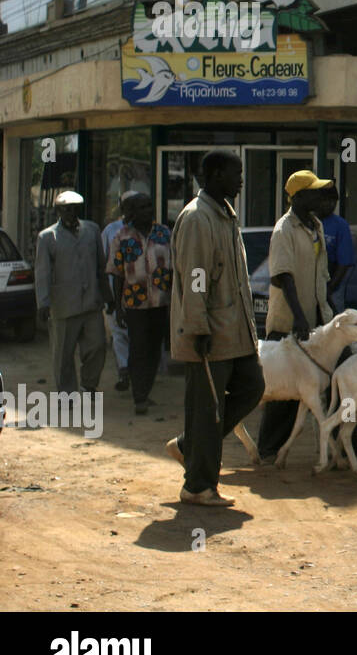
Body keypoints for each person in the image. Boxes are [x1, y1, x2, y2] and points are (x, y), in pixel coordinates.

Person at [166, 151, 264, 507]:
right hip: (208, 335)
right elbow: (195, 279)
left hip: (235, 333)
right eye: (235, 173)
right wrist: (197, 327)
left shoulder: (224, 215)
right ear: (214, 174)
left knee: (252, 387)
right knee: (207, 410)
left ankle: (187, 445)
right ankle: (198, 486)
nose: (241, 180)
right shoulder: (197, 219)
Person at [257, 170, 335, 462]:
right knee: (282, 390)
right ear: (299, 197)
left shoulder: (315, 225)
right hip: (289, 321)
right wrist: (300, 318)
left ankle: (346, 436)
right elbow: (282, 278)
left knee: (332, 376)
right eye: (314, 192)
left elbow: (320, 273)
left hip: (316, 317)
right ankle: (268, 448)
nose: (320, 196)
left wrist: (324, 310)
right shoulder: (284, 230)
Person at [35, 191, 113, 395]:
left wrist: (108, 296)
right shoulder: (47, 237)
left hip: (91, 302)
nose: (71, 212)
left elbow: (101, 266)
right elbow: (42, 273)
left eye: (75, 208)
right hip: (63, 304)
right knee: (63, 354)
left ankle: (88, 384)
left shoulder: (92, 230)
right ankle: (67, 393)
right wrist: (43, 303)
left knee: (97, 346)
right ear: (59, 210)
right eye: (66, 208)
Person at [107, 192, 172, 415]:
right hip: (135, 304)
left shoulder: (164, 234)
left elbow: (174, 270)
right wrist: (117, 307)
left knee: (155, 349)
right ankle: (139, 396)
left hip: (161, 303)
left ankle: (145, 389)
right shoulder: (122, 238)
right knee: (138, 349)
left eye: (149, 206)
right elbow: (117, 275)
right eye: (142, 207)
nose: (148, 211)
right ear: (132, 212)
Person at [101, 199, 132, 392]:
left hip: (143, 299)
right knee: (119, 334)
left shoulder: (152, 232)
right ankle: (124, 371)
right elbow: (104, 263)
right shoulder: (111, 231)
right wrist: (108, 297)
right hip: (116, 292)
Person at [319, 184, 355, 315]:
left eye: (333, 201)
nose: (329, 205)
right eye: (325, 200)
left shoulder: (340, 226)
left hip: (332, 287)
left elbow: (344, 263)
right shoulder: (309, 222)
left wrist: (330, 288)